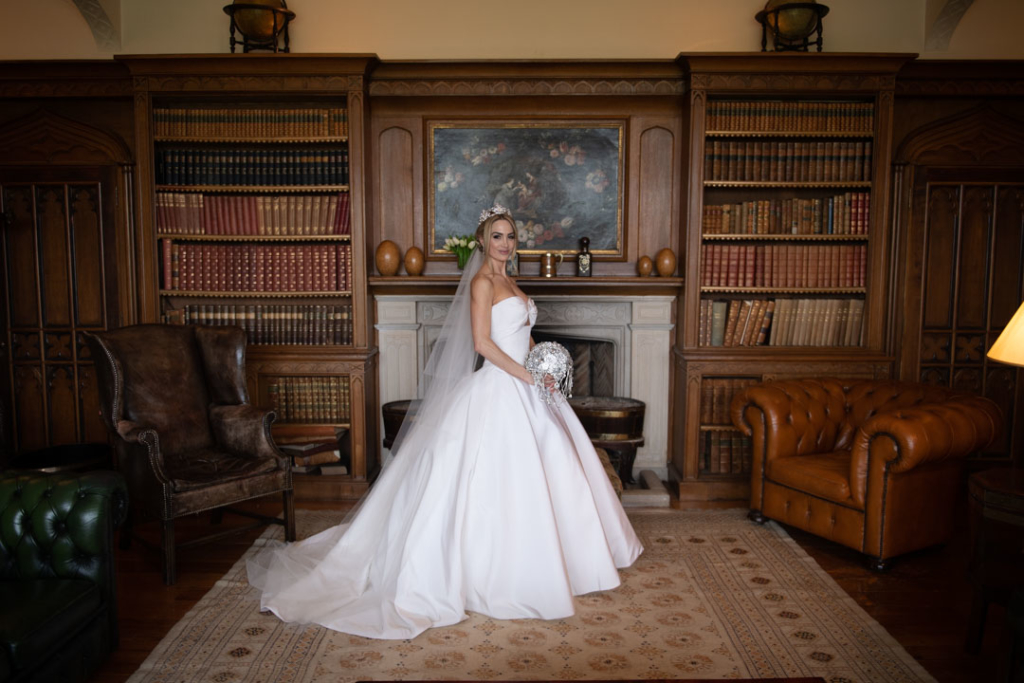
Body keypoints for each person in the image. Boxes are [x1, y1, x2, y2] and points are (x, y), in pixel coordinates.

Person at [247, 203, 643, 639]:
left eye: (510, 236)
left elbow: (521, 333)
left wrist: (541, 368)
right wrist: (527, 375)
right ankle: (498, 575)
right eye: (497, 236)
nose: (505, 243)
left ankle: (562, 561)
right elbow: (483, 344)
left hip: (528, 383)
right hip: (499, 385)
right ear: (482, 241)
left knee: (557, 466)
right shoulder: (480, 283)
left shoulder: (511, 279)